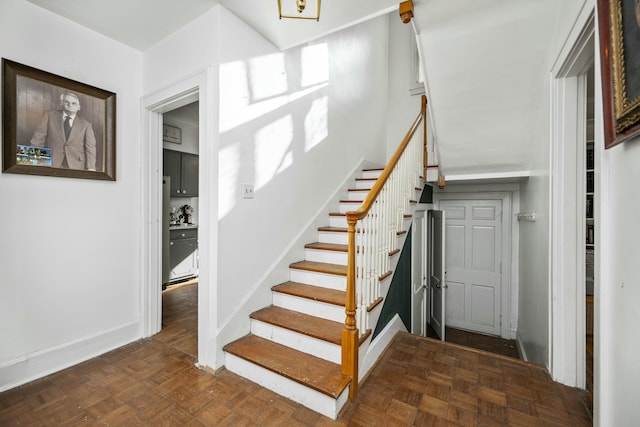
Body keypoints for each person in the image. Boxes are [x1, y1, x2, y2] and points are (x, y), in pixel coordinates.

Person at [30, 92, 97, 171]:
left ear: (79, 107)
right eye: (67, 102)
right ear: (61, 103)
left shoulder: (86, 125)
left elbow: (90, 148)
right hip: (52, 163)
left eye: (73, 103)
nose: (70, 105)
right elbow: (38, 139)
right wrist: (34, 161)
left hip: (76, 166)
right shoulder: (49, 115)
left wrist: (91, 167)